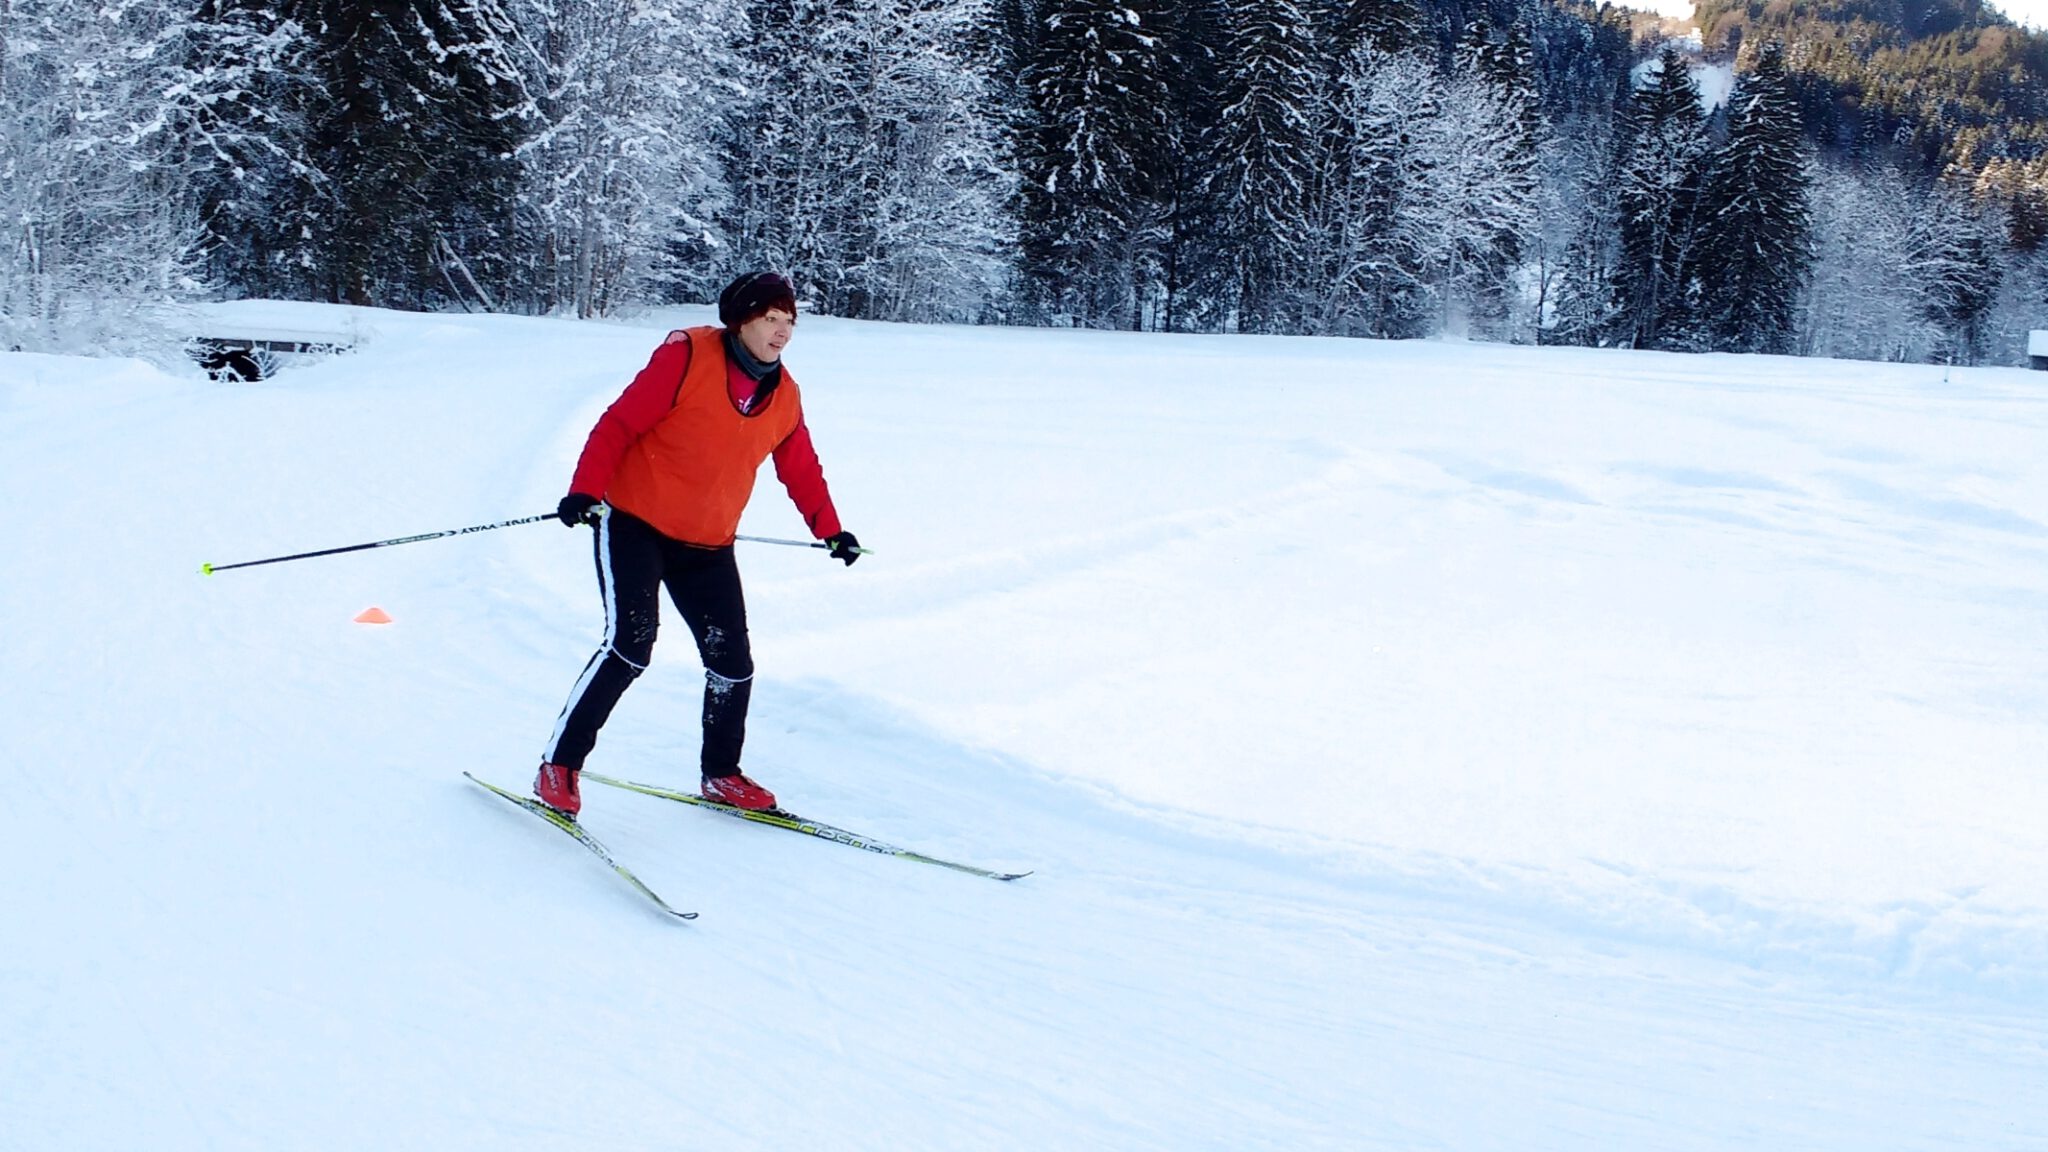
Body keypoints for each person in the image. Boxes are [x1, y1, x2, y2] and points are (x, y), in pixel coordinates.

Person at [535, 271, 859, 818]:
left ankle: (721, 774)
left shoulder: (784, 396)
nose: (782, 332)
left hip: (708, 544)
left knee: (733, 664)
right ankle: (559, 766)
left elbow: (800, 466)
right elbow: (617, 426)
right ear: (742, 320)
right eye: (771, 319)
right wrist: (585, 491)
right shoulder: (686, 358)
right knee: (630, 647)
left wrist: (831, 529)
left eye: (789, 322)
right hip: (635, 524)